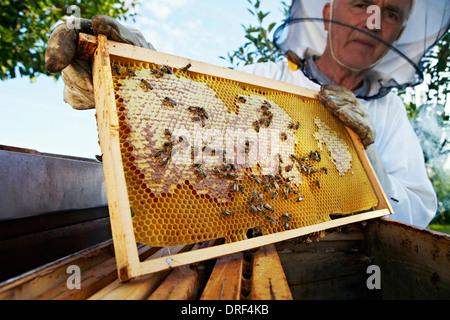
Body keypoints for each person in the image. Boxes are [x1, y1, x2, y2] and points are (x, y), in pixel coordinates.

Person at [45, 0, 448, 228]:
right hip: (241, 248)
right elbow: (185, 117)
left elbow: (418, 212)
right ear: (328, 13)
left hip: (344, 263)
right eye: (361, 3)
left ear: (398, 31)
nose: (373, 21)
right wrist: (125, 71)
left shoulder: (390, 113)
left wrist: (367, 161)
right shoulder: (262, 78)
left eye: (392, 12)